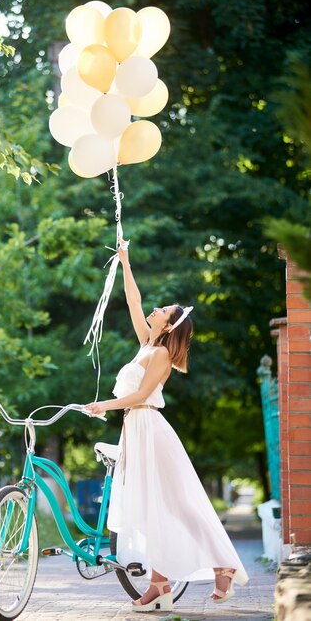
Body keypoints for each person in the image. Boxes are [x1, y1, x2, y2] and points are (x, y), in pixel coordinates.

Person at [85, 241, 248, 613]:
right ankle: (159, 584)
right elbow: (133, 301)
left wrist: (103, 406)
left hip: (150, 431)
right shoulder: (146, 343)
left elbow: (142, 394)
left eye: (163, 311)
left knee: (175, 505)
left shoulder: (159, 354)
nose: (154, 310)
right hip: (135, 432)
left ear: (168, 324)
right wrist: (125, 261)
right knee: (151, 509)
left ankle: (219, 566)